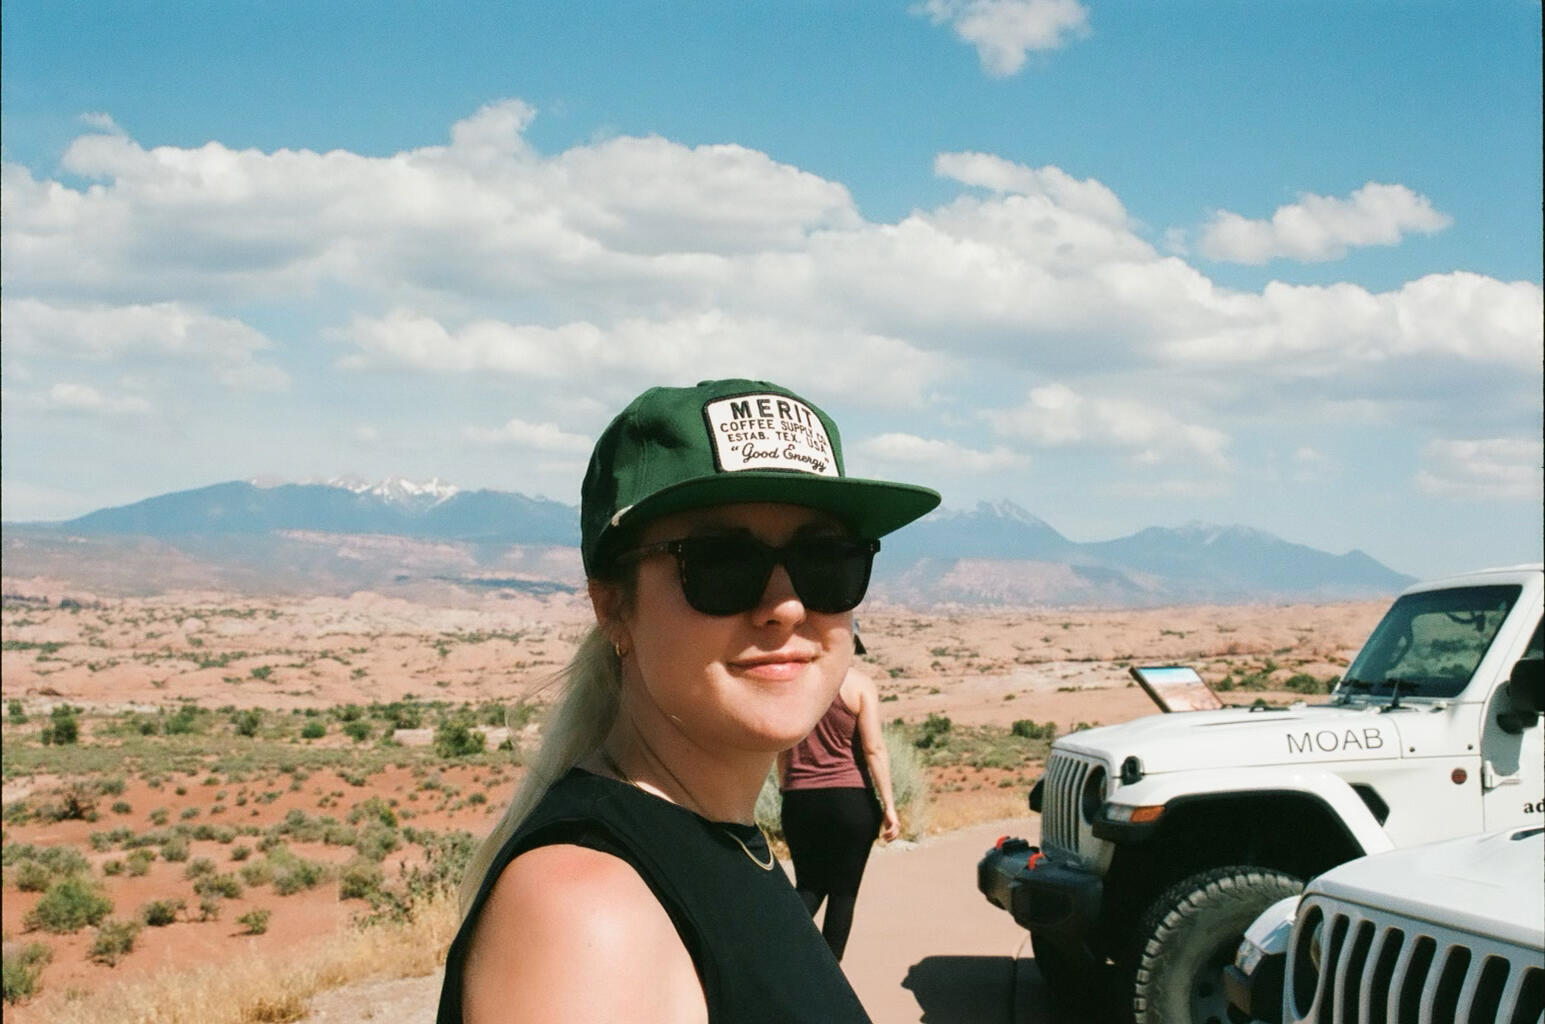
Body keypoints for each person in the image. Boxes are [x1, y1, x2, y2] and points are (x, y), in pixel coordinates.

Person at [437, 378, 939, 1024]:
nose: (786, 606)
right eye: (721, 563)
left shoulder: (720, 843)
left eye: (826, 559)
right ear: (613, 605)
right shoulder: (588, 919)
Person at [778, 639, 901, 961]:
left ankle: (776, 957)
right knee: (844, 894)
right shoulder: (859, 685)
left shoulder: (790, 684)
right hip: (851, 800)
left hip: (798, 800)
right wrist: (889, 805)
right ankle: (827, 978)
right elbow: (874, 749)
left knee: (808, 886)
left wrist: (787, 788)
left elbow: (779, 745)